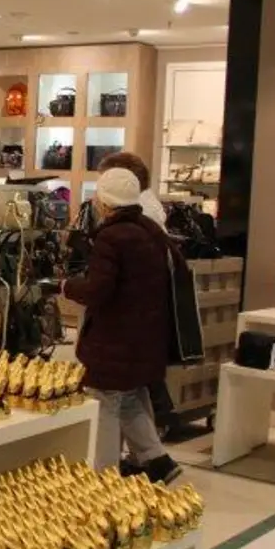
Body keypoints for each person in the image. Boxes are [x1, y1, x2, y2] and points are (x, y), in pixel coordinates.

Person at [60, 168, 183, 485]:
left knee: (105, 402)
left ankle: (104, 477)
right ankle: (159, 463)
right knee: (130, 398)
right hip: (147, 337)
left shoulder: (111, 237)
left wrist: (67, 287)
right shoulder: (151, 231)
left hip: (114, 340)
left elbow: (100, 290)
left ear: (105, 200)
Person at [94, 150, 180, 439]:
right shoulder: (146, 222)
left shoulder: (121, 230)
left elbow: (103, 287)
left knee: (113, 398)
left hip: (123, 326)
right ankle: (154, 459)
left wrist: (68, 287)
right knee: (134, 393)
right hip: (145, 323)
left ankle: (104, 471)